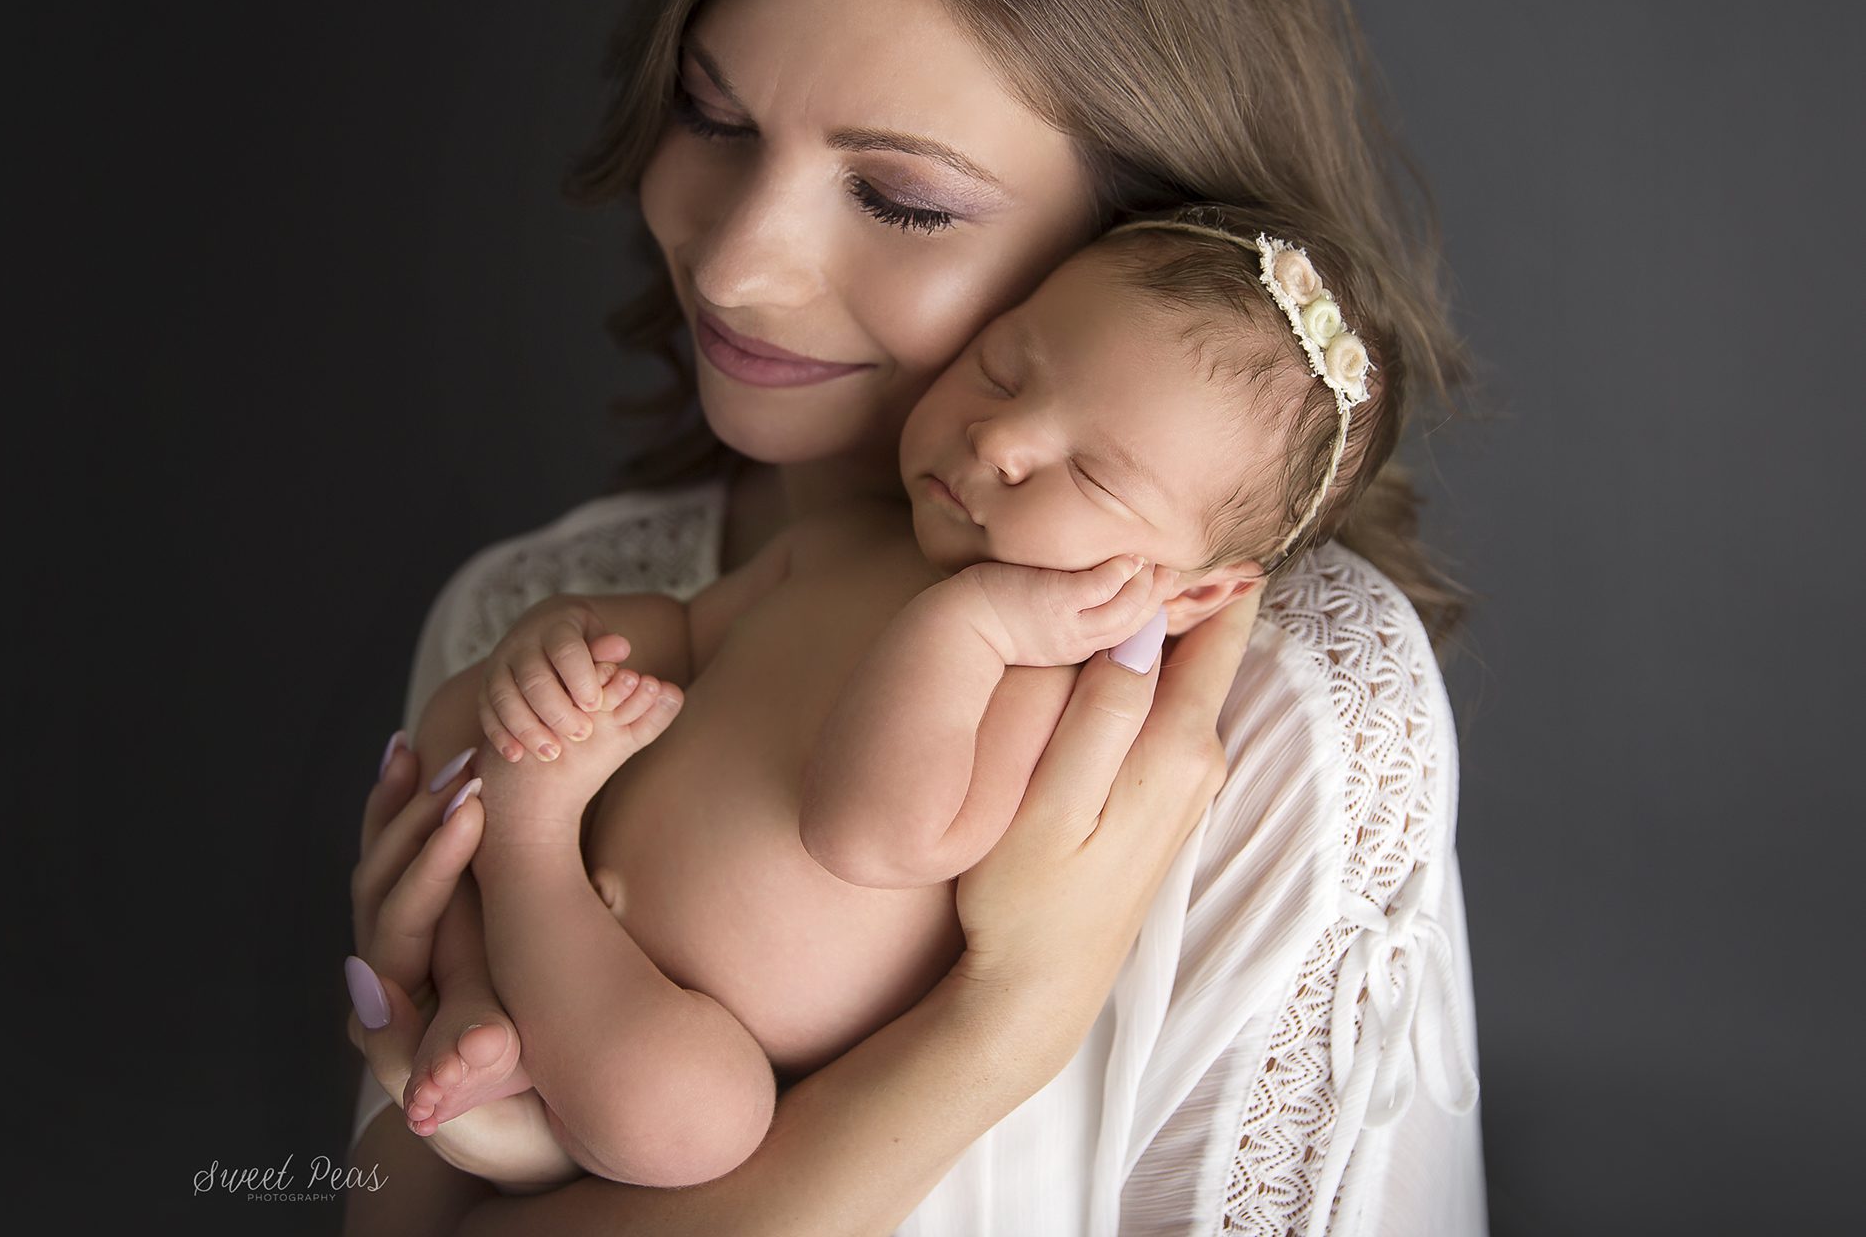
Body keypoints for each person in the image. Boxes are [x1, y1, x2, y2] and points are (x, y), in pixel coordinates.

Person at [341, 0, 1487, 1234]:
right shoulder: (537, 610)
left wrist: (1010, 1019)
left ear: (1135, 244)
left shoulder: (1277, 722)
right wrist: (434, 1058)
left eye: (900, 197)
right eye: (712, 114)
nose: (739, 267)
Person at [384, 213, 1402, 1196]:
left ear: (1188, 593)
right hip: (582, 881)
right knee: (472, 704)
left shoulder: (1038, 692)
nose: (998, 436)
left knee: (696, 1119)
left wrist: (974, 627)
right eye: (1002, 369)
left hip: (674, 1019)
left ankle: (527, 865)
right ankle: (482, 986)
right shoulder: (847, 541)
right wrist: (566, 641)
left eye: (1090, 473)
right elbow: (691, 633)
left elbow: (867, 834)